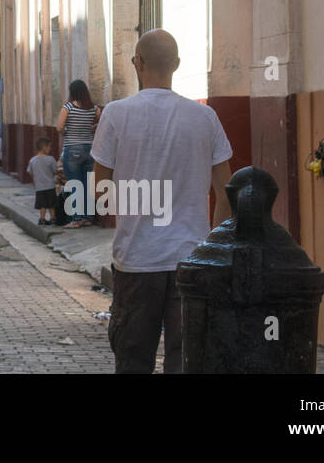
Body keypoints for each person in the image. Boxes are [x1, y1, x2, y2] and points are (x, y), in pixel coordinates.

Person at [92, 29, 233, 374]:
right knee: (186, 360)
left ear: (137, 63)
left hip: (137, 261)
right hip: (192, 261)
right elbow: (227, 191)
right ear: (178, 64)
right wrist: (210, 243)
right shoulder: (205, 117)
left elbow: (100, 194)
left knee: (133, 360)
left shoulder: (115, 114)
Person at [57, 79, 101, 227]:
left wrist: (66, 132)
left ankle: (76, 219)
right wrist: (91, 129)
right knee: (88, 184)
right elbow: (99, 124)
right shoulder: (94, 109)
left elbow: (59, 127)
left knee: (74, 184)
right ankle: (87, 218)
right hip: (89, 149)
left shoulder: (68, 108)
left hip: (72, 149)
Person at [28, 138, 60, 226]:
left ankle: (42, 219)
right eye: (49, 146)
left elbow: (30, 173)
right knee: (51, 204)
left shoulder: (32, 160)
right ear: (44, 147)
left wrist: (36, 180)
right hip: (50, 186)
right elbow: (55, 171)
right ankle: (53, 219)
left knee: (42, 204)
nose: (50, 148)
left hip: (39, 187)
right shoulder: (51, 159)